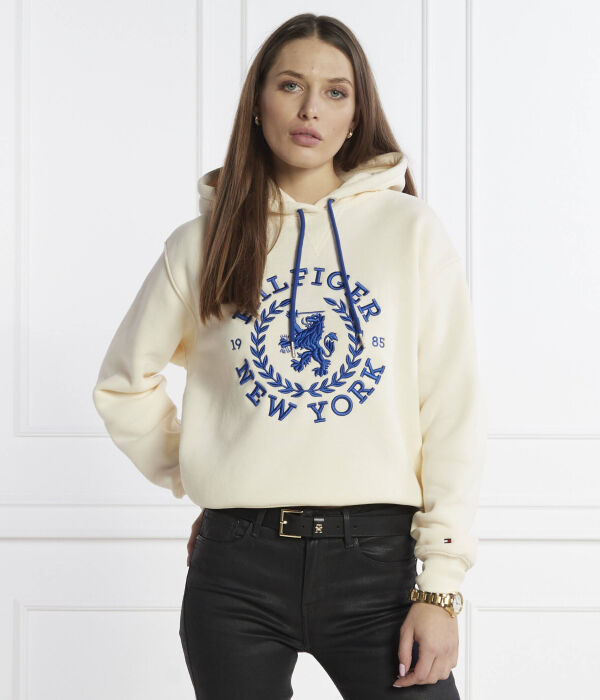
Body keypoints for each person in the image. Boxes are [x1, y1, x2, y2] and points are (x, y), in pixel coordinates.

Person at [92, 12, 487, 700]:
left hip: (378, 569)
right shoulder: (203, 242)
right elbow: (125, 384)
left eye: (335, 92)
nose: (310, 109)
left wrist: (442, 588)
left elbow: (452, 411)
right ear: (258, 102)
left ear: (357, 115)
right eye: (290, 85)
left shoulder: (410, 233)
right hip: (235, 576)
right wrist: (202, 466)